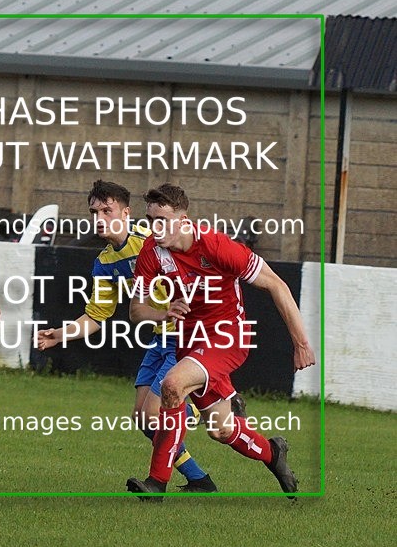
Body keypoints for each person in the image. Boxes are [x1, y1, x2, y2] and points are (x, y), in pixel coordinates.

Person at [126, 183, 315, 500]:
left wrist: (301, 343)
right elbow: (136, 310)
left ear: (184, 221)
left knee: (172, 386)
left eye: (162, 220)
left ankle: (156, 483)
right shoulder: (151, 251)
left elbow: (277, 285)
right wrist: (162, 313)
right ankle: (273, 453)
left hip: (228, 337)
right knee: (221, 429)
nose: (154, 228)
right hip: (190, 344)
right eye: (150, 220)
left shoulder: (216, 246)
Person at [36, 179, 216, 492]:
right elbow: (96, 316)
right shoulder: (105, 263)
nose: (99, 218)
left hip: (187, 333)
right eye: (94, 212)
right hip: (160, 337)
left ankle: (204, 402)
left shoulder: (152, 237)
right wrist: (59, 335)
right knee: (144, 420)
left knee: (154, 412)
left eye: (107, 210)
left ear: (127, 212)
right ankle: (200, 479)